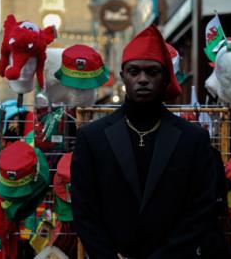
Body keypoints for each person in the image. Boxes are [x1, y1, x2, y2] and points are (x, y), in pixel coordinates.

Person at [71, 25, 217, 259]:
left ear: (165, 78)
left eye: (152, 72)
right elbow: (84, 209)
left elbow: (200, 208)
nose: (142, 79)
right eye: (134, 71)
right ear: (123, 77)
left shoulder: (193, 139)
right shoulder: (92, 137)